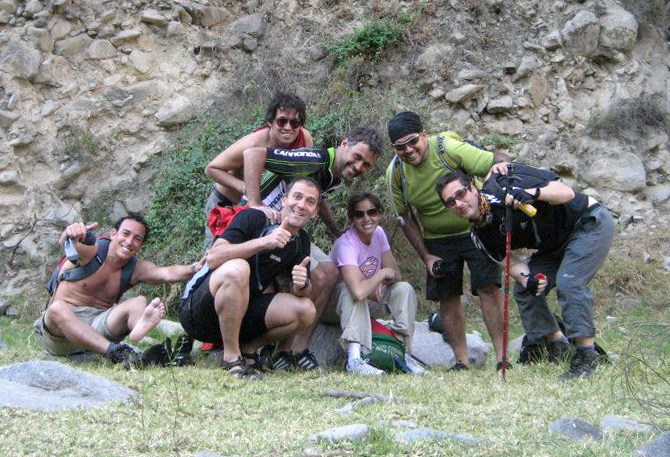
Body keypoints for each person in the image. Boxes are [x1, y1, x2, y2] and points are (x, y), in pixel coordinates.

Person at [436, 165, 614, 380]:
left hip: (587, 222)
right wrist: (527, 279)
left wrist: (532, 193)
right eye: (451, 202)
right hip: (553, 247)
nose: (458, 203)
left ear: (473, 188)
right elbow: (510, 263)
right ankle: (558, 345)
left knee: (569, 283)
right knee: (524, 289)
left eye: (461, 194)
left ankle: (587, 356)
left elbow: (565, 192)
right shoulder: (479, 234)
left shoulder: (504, 184)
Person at [240, 126, 385, 369]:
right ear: (344, 144)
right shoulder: (314, 159)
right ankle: (282, 348)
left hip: (291, 230)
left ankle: (298, 349)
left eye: (366, 165)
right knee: (320, 273)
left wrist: (335, 230)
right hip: (264, 225)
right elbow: (253, 153)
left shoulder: (333, 174)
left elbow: (321, 199)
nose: (359, 166)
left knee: (329, 271)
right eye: (357, 157)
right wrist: (254, 204)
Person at [385, 111, 510, 371]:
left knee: (488, 288)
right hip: (437, 239)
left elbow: (496, 161)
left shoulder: (447, 149)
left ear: (424, 135)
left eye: (412, 142)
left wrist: (496, 185)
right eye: (400, 147)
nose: (408, 150)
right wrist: (426, 256)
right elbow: (404, 217)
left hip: (475, 228)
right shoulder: (396, 172)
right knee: (448, 297)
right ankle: (461, 361)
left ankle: (502, 357)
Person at [179, 178, 321, 379]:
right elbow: (214, 257)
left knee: (306, 310)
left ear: (315, 212)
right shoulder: (255, 218)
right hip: (198, 312)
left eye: (310, 201)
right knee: (238, 269)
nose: (301, 205)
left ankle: (247, 350)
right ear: (284, 200)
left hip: (241, 315)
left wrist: (302, 283)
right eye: (297, 197)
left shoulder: (301, 240)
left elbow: (302, 291)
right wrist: (264, 242)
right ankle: (231, 358)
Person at [35, 214, 205, 364]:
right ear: (113, 234)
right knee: (57, 308)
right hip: (61, 335)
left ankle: (139, 329)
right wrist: (71, 232)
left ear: (141, 246)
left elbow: (166, 273)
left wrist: (194, 268)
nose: (129, 241)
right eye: (126, 234)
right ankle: (116, 352)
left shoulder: (134, 269)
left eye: (137, 239)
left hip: (97, 327)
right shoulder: (90, 251)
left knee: (139, 301)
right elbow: (66, 243)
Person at [329, 192, 424, 376]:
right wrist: (379, 275)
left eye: (371, 212)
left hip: (367, 301)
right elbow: (358, 291)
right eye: (359, 214)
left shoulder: (378, 233)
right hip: (336, 306)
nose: (366, 219)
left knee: (404, 289)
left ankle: (402, 352)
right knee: (352, 291)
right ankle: (354, 360)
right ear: (352, 218)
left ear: (379, 213)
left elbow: (395, 275)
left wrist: (376, 281)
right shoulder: (346, 244)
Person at [204, 92, 314, 250]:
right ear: (270, 121)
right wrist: (246, 188)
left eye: (294, 123)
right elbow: (212, 168)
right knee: (216, 252)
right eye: (282, 121)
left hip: (267, 205)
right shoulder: (255, 142)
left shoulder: (304, 139)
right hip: (227, 203)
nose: (288, 127)